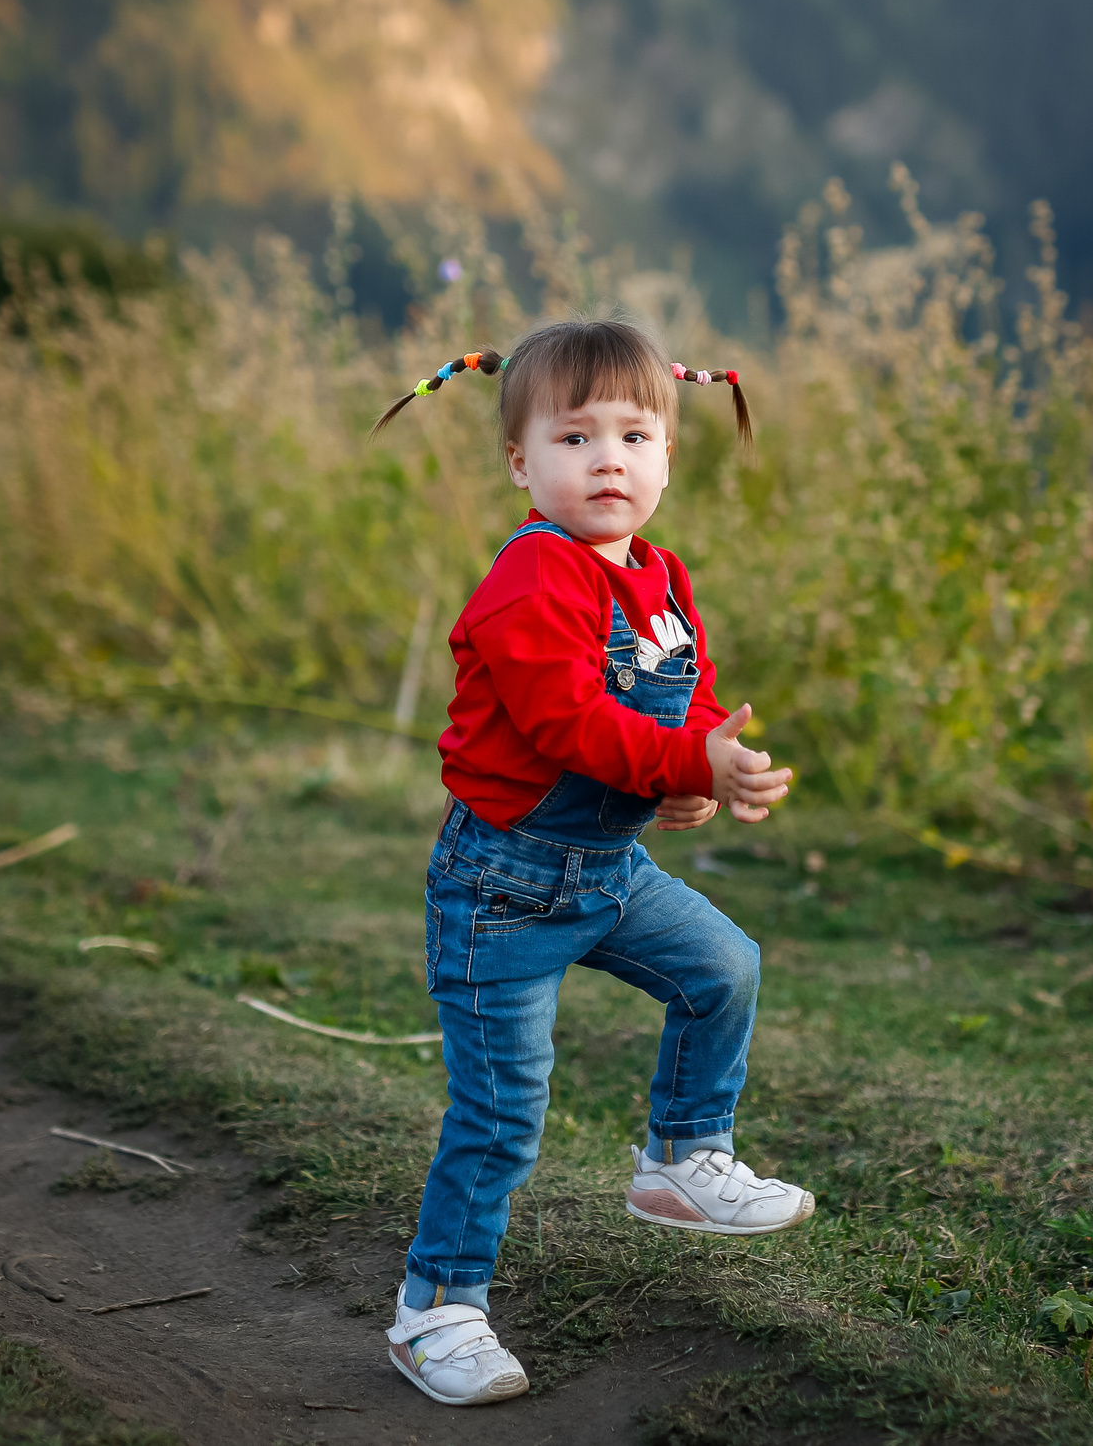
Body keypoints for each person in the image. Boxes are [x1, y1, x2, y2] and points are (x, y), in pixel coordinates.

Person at [365, 318, 813, 1407]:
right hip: (503, 889)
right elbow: (571, 725)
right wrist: (673, 760)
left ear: (667, 454)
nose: (607, 458)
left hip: (608, 878)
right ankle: (438, 1310)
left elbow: (684, 696)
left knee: (724, 968)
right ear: (520, 462)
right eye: (572, 438)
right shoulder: (530, 581)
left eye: (634, 434)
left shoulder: (660, 578)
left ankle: (681, 1161)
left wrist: (710, 764)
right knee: (502, 1109)